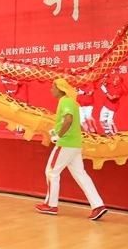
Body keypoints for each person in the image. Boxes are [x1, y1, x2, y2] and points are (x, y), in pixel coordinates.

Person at [37, 79, 108, 220]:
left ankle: (51, 205)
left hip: (66, 143)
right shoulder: (70, 102)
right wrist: (56, 129)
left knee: (51, 171)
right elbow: (68, 121)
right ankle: (98, 205)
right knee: (81, 174)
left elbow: (68, 120)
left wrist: (59, 135)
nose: (51, 90)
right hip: (75, 144)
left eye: (53, 87)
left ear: (60, 89)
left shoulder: (65, 102)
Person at [99, 70, 128, 135]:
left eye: (116, 80)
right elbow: (102, 84)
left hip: (113, 107)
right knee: (102, 120)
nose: (114, 81)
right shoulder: (110, 85)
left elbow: (111, 98)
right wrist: (105, 77)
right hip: (106, 105)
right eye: (114, 79)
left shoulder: (120, 90)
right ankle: (107, 132)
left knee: (109, 121)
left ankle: (115, 134)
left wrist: (105, 92)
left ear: (119, 82)